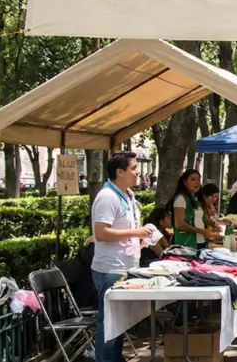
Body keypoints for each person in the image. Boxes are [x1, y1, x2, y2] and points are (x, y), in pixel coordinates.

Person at [91, 151, 157, 362]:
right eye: (133, 168)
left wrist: (143, 234)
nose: (137, 173)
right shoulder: (107, 197)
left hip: (126, 267)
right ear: (120, 172)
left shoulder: (127, 195)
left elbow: (126, 228)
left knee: (118, 324)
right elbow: (101, 233)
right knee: (109, 325)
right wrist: (136, 232)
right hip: (110, 270)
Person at [168, 170, 217, 249]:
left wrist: (213, 224)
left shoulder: (197, 198)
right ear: (184, 182)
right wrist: (201, 231)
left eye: (198, 179)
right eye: (193, 179)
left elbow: (201, 218)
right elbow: (179, 224)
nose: (197, 182)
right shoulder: (181, 198)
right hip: (186, 243)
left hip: (201, 241)